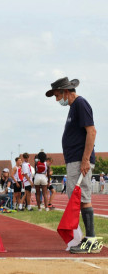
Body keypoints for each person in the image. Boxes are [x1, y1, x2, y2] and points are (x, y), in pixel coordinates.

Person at [46, 76, 102, 254]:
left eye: (57, 95)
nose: (57, 100)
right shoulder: (73, 107)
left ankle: (91, 240)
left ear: (66, 91)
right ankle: (87, 238)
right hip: (75, 160)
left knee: (83, 197)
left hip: (80, 160)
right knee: (78, 198)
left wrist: (85, 159)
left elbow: (91, 131)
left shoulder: (80, 104)